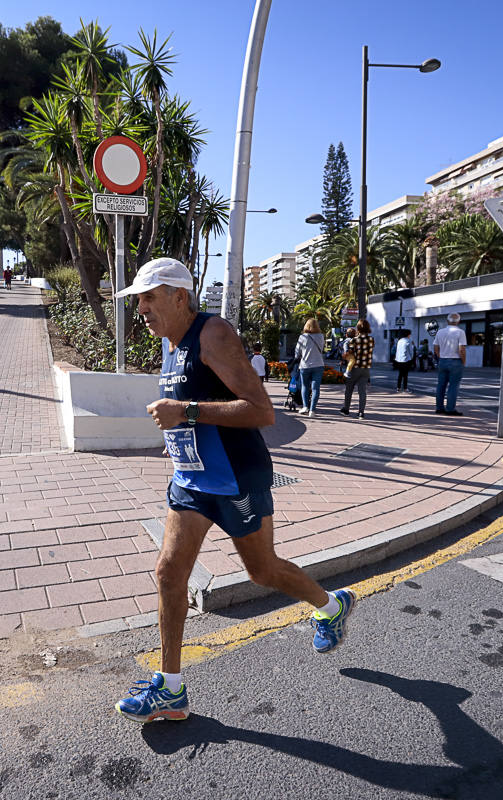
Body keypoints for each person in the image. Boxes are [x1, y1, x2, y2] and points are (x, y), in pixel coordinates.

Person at [111, 258, 357, 723]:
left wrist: (186, 413)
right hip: (192, 481)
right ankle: (171, 689)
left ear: (179, 297)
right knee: (168, 573)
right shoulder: (170, 342)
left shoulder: (213, 333)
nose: (140, 307)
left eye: (148, 297)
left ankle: (330, 605)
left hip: (237, 480)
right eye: (137, 299)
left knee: (262, 571)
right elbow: (193, 410)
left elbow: (261, 411)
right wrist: (181, 440)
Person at [340, 319, 375, 418]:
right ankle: (361, 412)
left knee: (349, 389)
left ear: (358, 328)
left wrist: (344, 356)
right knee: (362, 391)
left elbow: (349, 352)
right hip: (366, 368)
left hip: (355, 368)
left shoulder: (354, 340)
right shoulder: (371, 339)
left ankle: (346, 409)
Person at [434, 312, 467, 416]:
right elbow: (462, 349)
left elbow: (435, 347)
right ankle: (450, 409)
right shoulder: (460, 332)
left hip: (443, 360)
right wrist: (463, 361)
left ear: (447, 321)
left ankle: (439, 408)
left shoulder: (440, 332)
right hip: (455, 361)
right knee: (453, 386)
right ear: (458, 321)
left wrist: (440, 356)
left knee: (441, 385)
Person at [294, 319, 327, 417]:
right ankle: (312, 410)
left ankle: (305, 407)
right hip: (318, 365)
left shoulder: (302, 337)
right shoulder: (321, 336)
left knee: (305, 386)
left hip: (305, 365)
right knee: (316, 388)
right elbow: (322, 348)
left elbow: (297, 352)